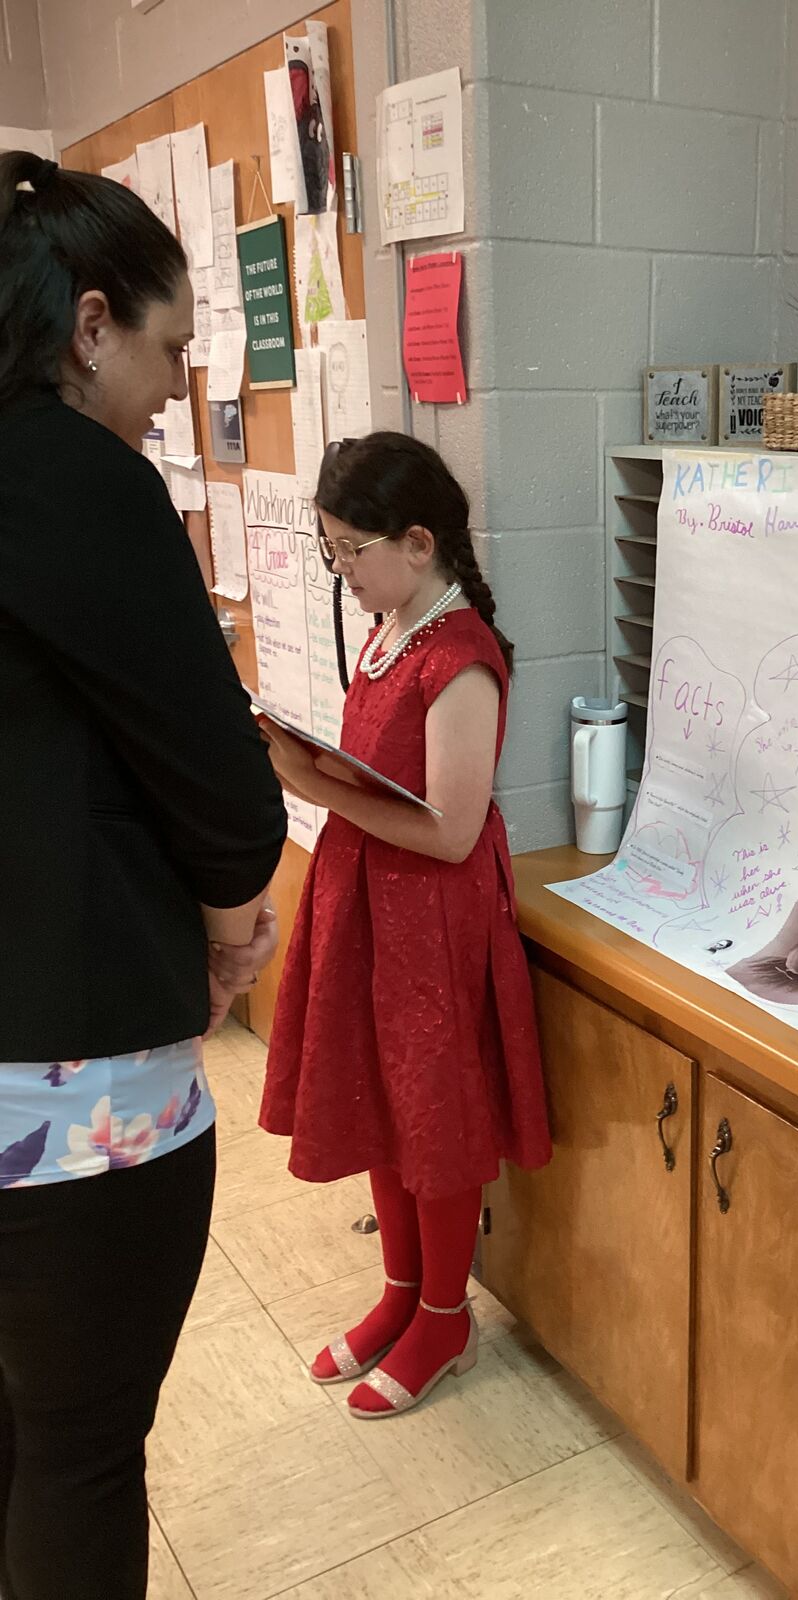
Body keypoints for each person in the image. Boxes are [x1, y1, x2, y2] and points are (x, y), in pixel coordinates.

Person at [0, 152, 287, 1600]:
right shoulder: (73, 479)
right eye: (172, 348)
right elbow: (227, 795)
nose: (179, 388)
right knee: (80, 1451)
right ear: (90, 324)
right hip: (65, 1084)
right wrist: (236, 931)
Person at [258, 433, 552, 1419]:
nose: (340, 572)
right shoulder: (393, 624)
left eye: (351, 551)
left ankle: (444, 1312)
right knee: (384, 1101)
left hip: (430, 915)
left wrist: (311, 785)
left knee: (436, 1119)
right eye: (331, 550)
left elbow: (453, 830)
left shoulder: (460, 656)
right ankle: (398, 1292)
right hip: (371, 903)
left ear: (418, 542)